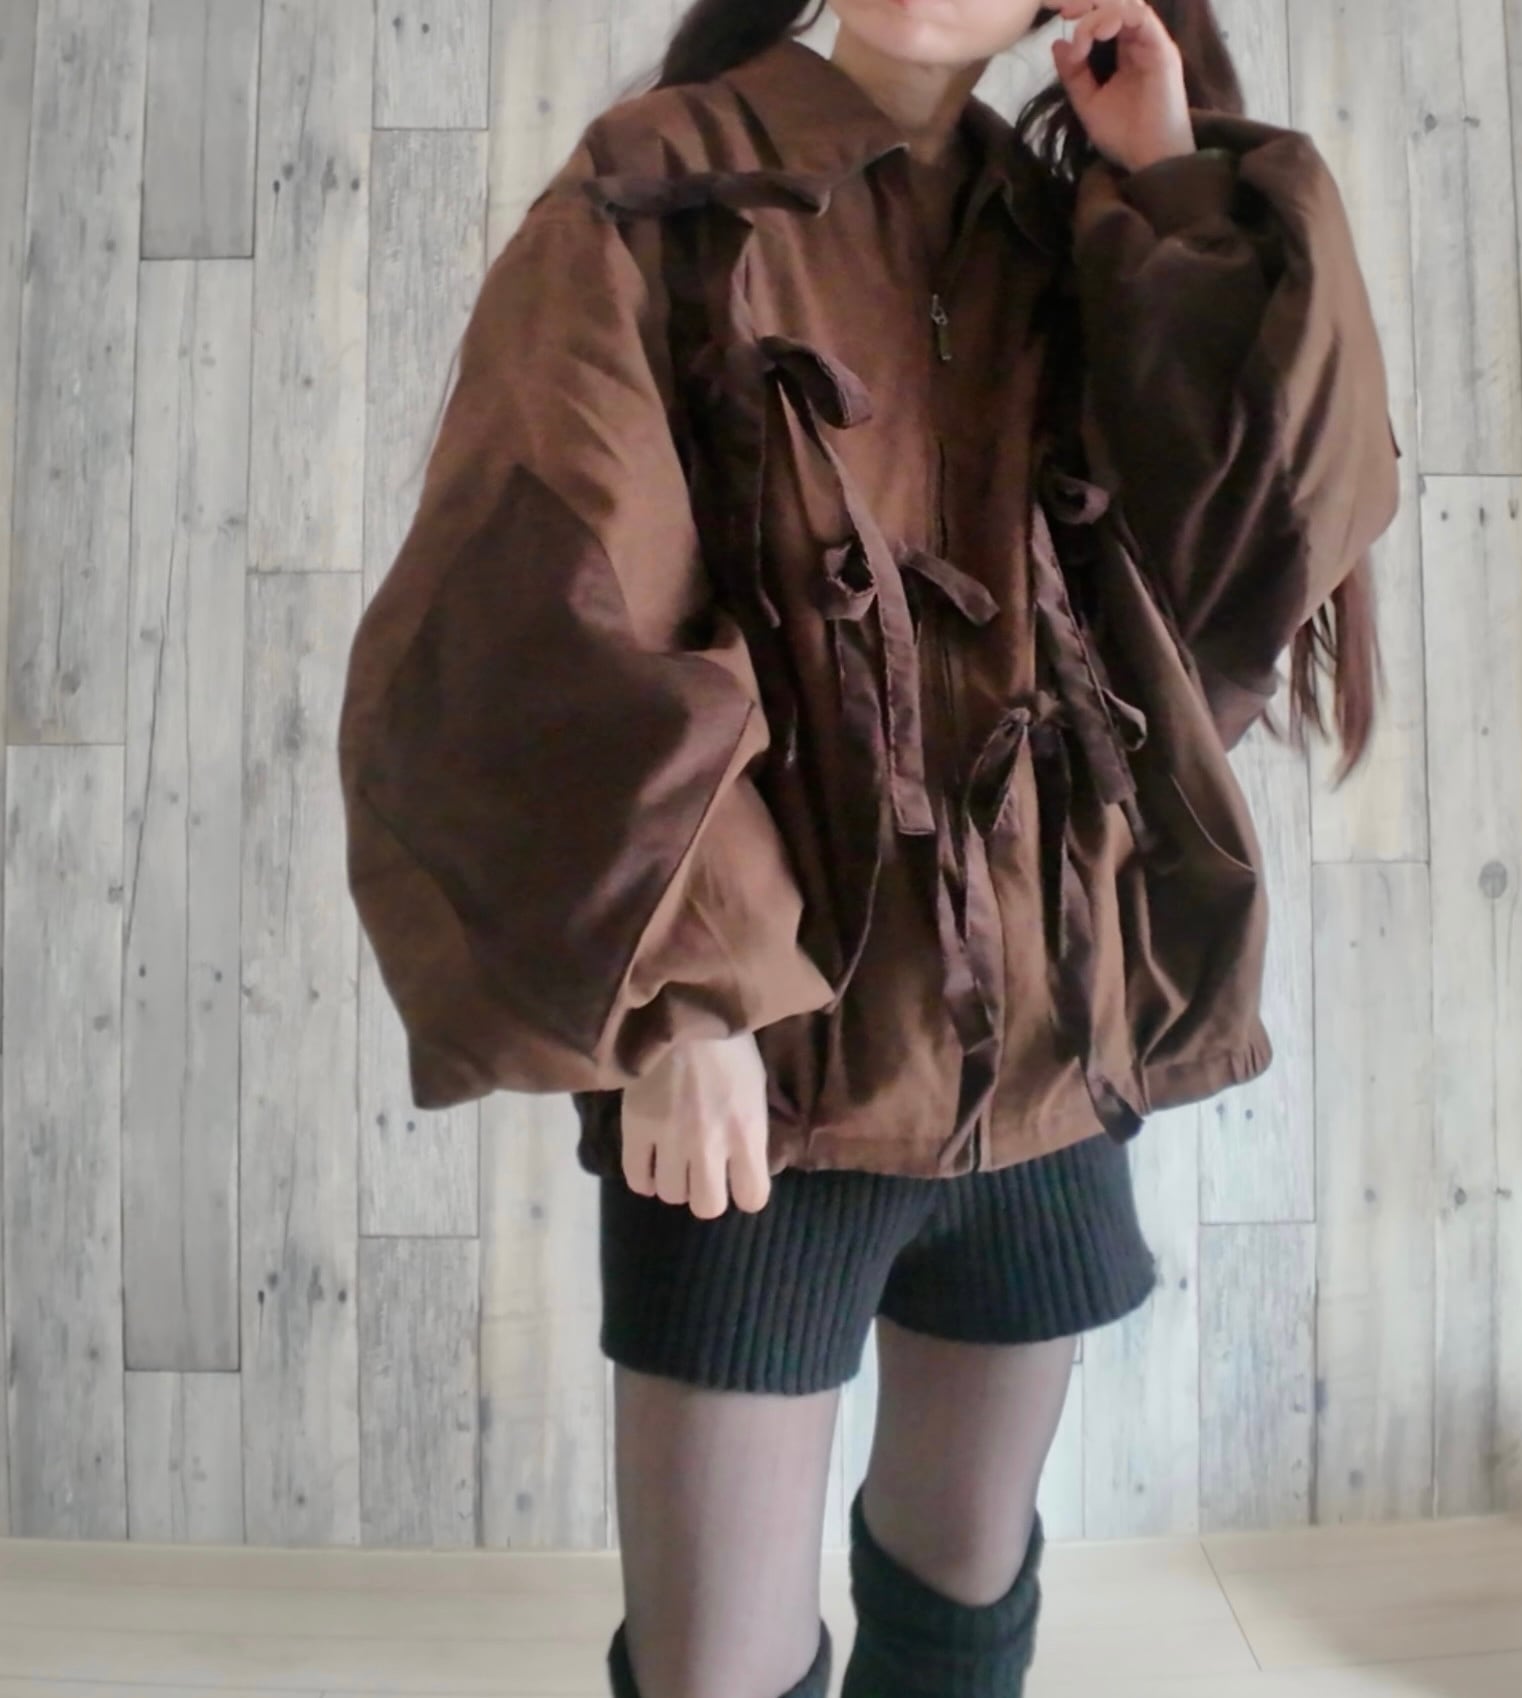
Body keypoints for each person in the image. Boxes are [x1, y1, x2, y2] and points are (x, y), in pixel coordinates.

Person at [338, 0, 1398, 1692]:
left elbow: (1248, 545)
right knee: (715, 1668)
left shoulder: (1072, 232)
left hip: (1047, 1057)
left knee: (959, 1605)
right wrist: (686, 998)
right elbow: (550, 587)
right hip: (768, 1078)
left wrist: (1166, 185)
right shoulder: (657, 189)